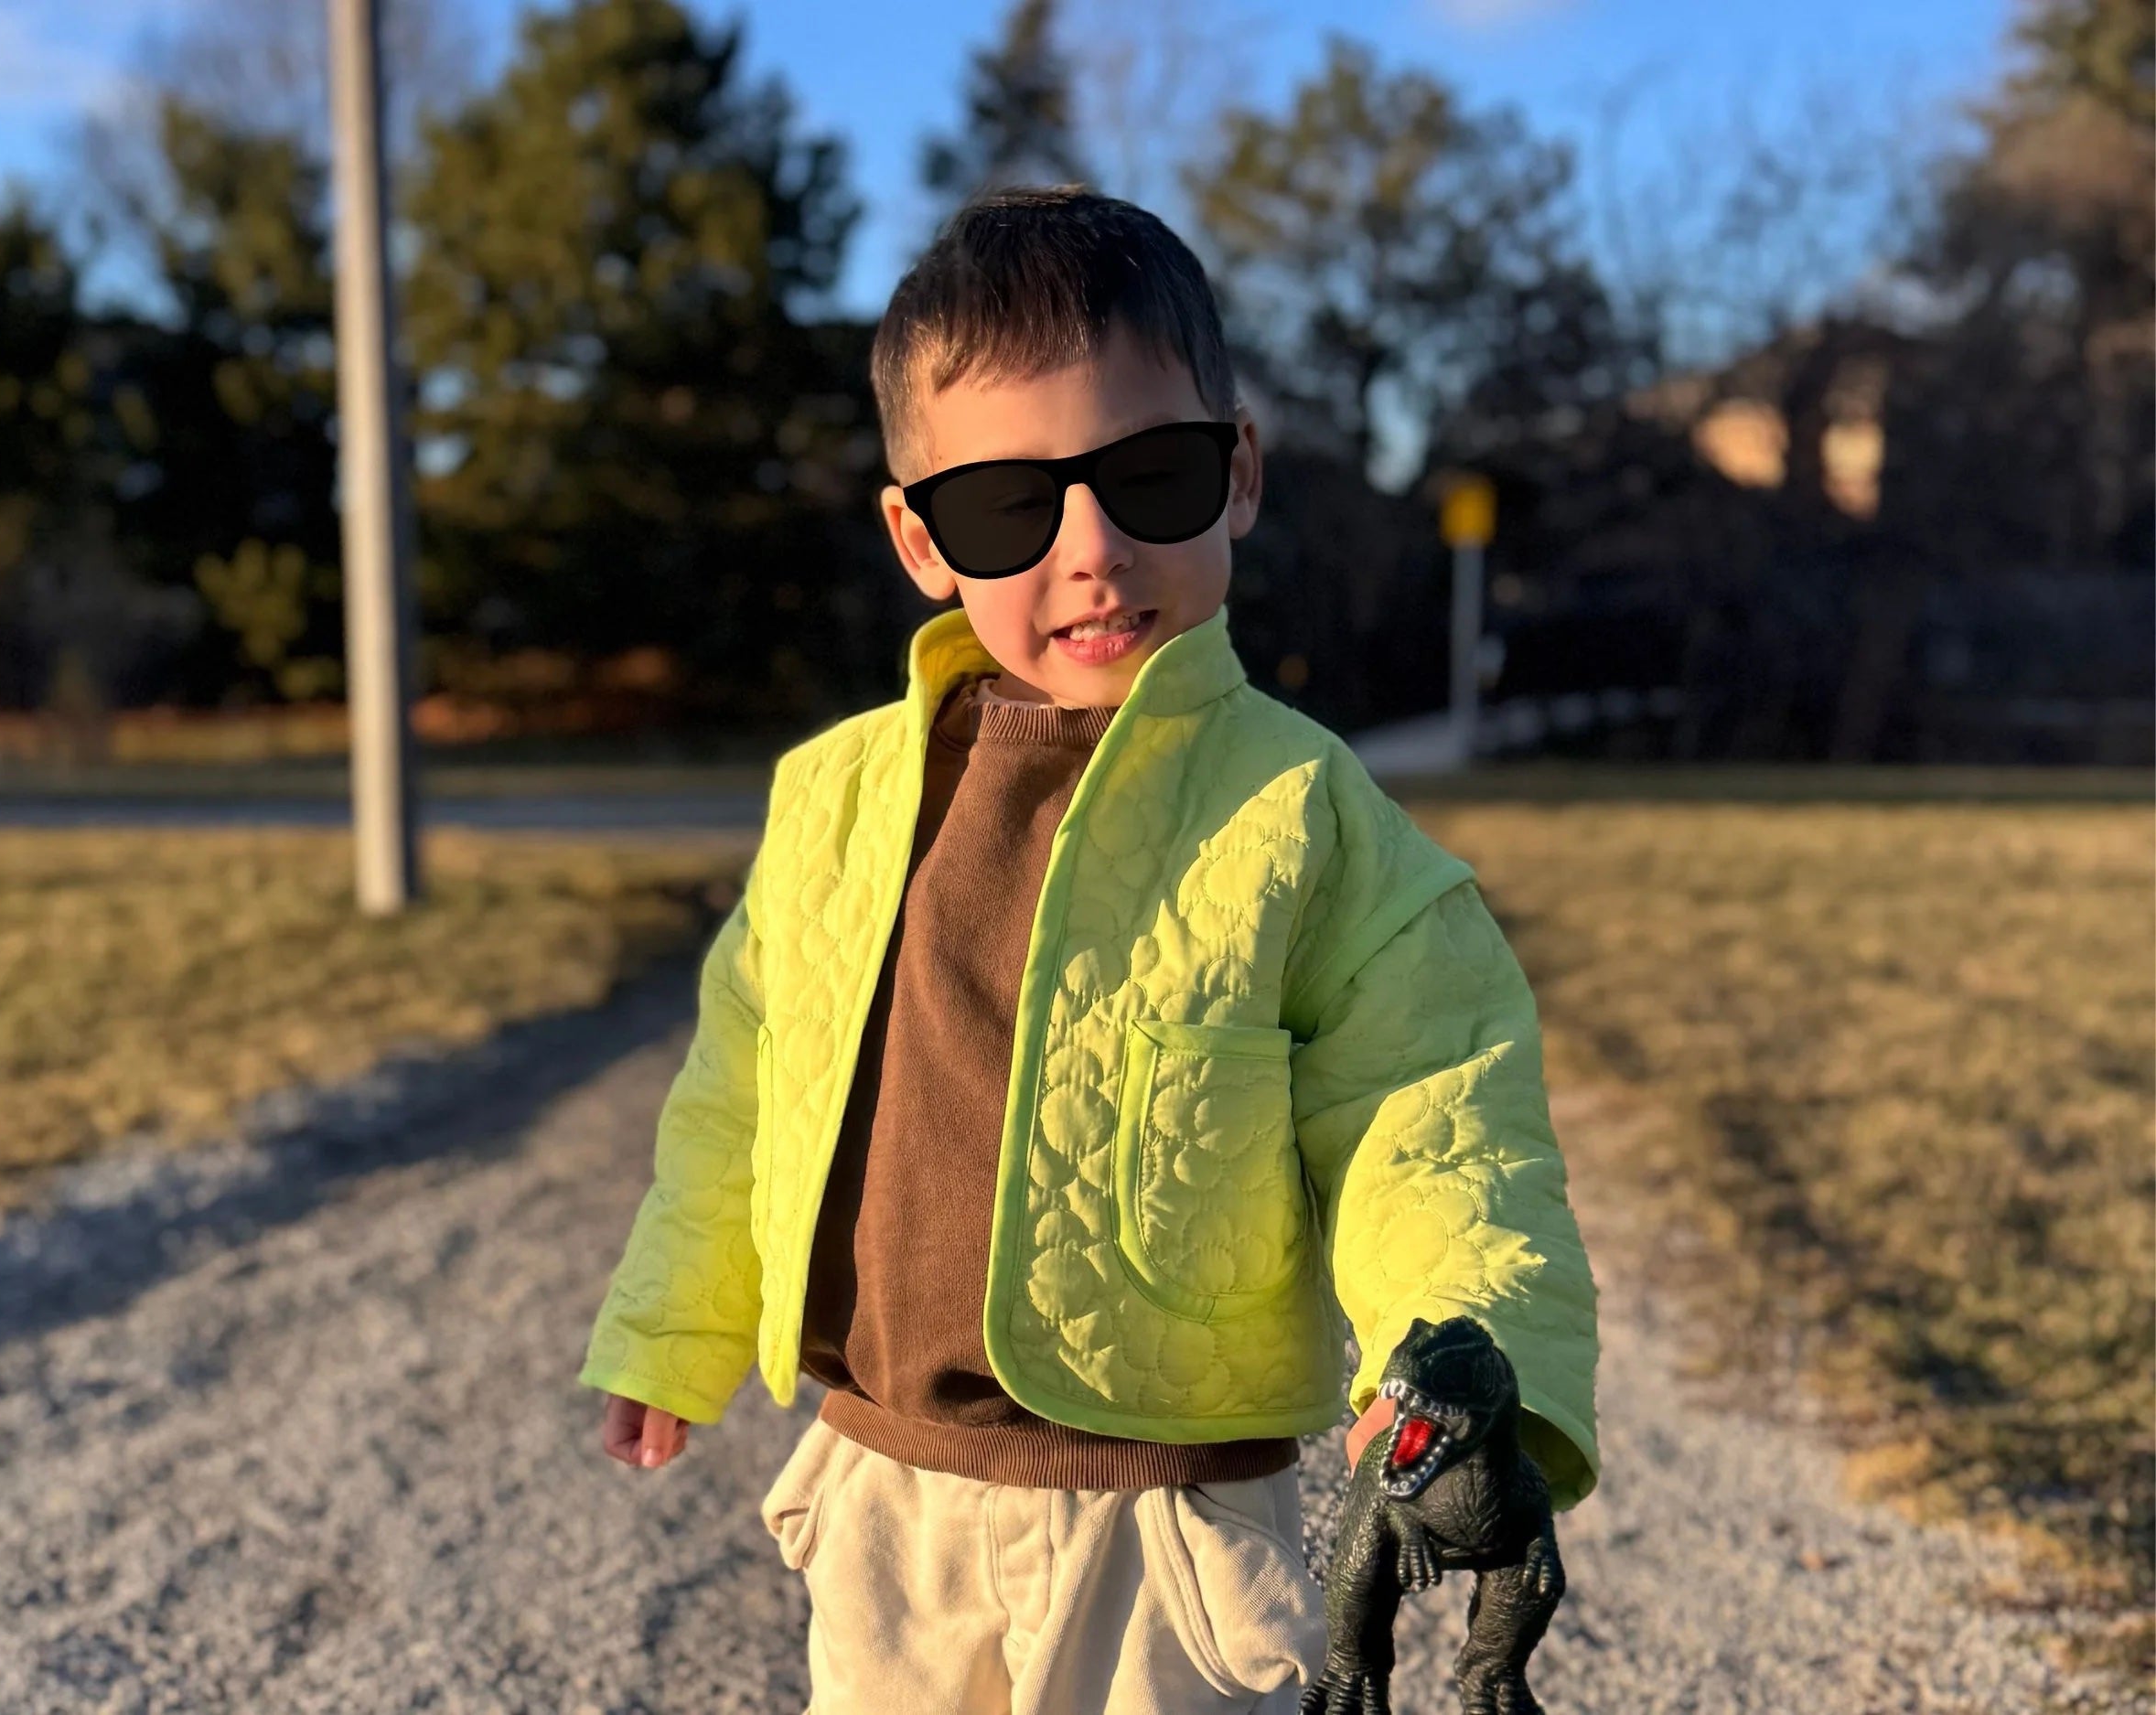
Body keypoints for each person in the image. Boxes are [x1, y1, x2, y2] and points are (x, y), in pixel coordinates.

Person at [579, 186, 1600, 1715]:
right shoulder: (835, 800)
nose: (1092, 549)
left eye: (1152, 477)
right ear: (921, 540)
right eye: (1009, 506)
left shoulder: (1304, 814)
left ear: (1239, 473)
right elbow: (747, 1079)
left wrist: (1473, 1376)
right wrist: (676, 1322)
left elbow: (1433, 1120)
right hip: (884, 1490)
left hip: (1169, 1522)